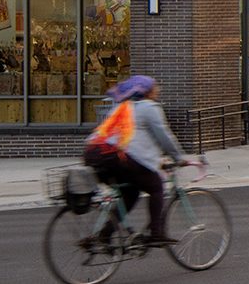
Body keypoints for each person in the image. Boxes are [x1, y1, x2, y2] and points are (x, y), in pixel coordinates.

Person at [84, 74, 196, 248]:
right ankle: (156, 234)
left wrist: (156, 159)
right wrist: (178, 158)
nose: (158, 90)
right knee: (156, 186)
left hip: (93, 154)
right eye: (155, 87)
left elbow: (135, 140)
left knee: (131, 193)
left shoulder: (121, 107)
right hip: (115, 156)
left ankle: (104, 236)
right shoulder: (148, 107)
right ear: (146, 91)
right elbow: (164, 136)